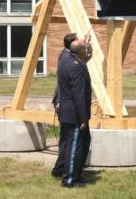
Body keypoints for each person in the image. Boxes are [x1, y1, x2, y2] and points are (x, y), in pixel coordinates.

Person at [56, 36, 93, 187]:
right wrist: (83, 119)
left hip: (66, 111)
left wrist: (85, 43)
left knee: (83, 142)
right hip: (75, 115)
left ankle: (76, 174)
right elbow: (79, 95)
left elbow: (82, 54)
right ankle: (69, 179)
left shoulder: (65, 59)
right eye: (85, 48)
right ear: (81, 52)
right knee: (74, 148)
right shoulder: (77, 67)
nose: (87, 50)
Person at [51, 32, 81, 178]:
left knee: (65, 139)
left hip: (62, 102)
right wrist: (58, 102)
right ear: (72, 44)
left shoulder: (65, 54)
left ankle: (61, 168)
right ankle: (61, 168)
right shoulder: (65, 57)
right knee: (66, 140)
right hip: (63, 103)